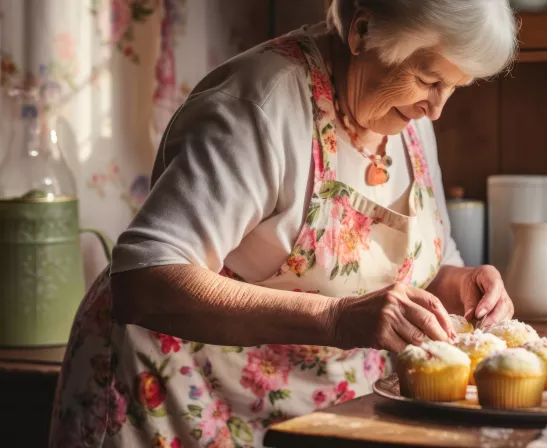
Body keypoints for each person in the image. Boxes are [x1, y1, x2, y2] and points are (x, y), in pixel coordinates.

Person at [50, 0, 519, 446]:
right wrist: (336, 319)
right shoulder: (260, 104)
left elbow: (422, 272)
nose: (437, 108)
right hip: (178, 401)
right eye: (428, 78)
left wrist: (463, 285)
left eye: (454, 87)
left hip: (312, 414)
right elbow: (145, 278)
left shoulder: (404, 115)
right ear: (362, 31)